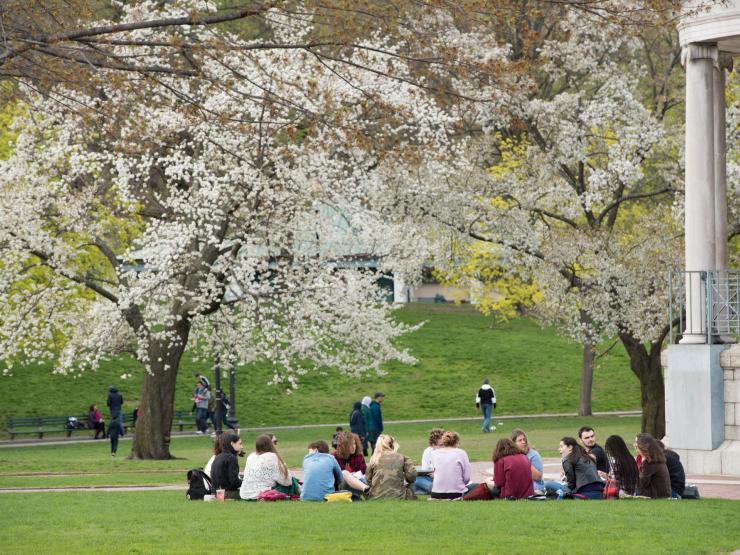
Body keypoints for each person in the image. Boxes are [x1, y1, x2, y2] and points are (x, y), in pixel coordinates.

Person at [240, 434, 296, 500]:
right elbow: (286, 482)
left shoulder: (251, 456)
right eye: (274, 442)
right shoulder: (272, 457)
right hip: (260, 494)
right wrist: (285, 468)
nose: (276, 444)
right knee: (292, 481)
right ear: (270, 444)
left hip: (244, 494)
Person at [365, 434, 417, 500]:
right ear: (392, 445)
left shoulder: (374, 459)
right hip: (399, 496)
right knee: (412, 485)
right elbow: (412, 476)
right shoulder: (402, 457)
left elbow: (368, 479)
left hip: (375, 496)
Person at [430, 431, 471, 500]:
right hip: (456, 493)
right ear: (456, 443)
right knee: (475, 486)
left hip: (436, 493)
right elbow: (466, 478)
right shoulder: (461, 453)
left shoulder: (434, 453)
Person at [333, 431, 369, 499]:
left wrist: (355, 475)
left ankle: (368, 494)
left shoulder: (359, 456)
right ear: (344, 445)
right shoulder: (334, 457)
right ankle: (366, 490)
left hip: (358, 483)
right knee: (344, 473)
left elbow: (363, 472)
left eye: (354, 444)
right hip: (341, 487)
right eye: (350, 445)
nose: (353, 447)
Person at [635, 434, 671, 499]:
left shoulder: (649, 463)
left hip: (655, 496)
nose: (636, 450)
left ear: (643, 448)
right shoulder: (658, 459)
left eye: (637, 447)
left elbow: (641, 484)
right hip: (664, 495)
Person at [210, 432, 244, 499]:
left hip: (214, 493)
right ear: (232, 444)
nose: (242, 447)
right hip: (226, 494)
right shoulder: (232, 458)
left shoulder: (218, 456)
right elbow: (234, 482)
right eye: (240, 444)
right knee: (252, 493)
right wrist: (246, 483)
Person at [510, 428, 544, 494]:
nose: (523, 442)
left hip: (535, 486)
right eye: (520, 440)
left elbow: (538, 477)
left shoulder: (533, 454)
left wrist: (524, 461)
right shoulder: (511, 455)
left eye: (524, 439)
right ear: (513, 443)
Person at [414, 428, 445, 495]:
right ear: (433, 445)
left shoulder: (448, 452)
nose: (444, 447)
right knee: (416, 479)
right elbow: (424, 469)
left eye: (444, 444)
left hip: (444, 480)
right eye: (441, 445)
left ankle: (433, 490)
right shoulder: (427, 451)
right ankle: (428, 489)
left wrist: (437, 475)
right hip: (430, 478)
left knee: (416, 483)